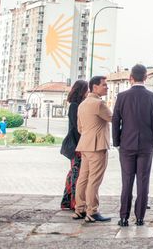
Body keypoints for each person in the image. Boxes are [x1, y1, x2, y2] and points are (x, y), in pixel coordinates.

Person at [113, 64, 153, 227]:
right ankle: (140, 217)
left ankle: (124, 217)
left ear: (130, 78)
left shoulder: (121, 96)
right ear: (146, 77)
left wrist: (116, 141)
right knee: (143, 181)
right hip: (146, 145)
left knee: (127, 181)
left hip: (126, 144)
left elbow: (115, 121)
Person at [73, 76, 113, 223]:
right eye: (104, 85)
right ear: (95, 87)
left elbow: (80, 127)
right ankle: (92, 211)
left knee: (83, 179)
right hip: (97, 146)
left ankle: (80, 209)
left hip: (85, 145)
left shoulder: (82, 104)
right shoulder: (99, 103)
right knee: (94, 180)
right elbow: (113, 118)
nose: (106, 87)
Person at [60, 80, 89, 210]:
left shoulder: (78, 105)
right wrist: (81, 146)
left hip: (78, 144)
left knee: (73, 173)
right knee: (77, 174)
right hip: (76, 145)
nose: (88, 92)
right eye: (86, 89)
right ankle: (74, 202)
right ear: (81, 90)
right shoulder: (74, 106)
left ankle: (68, 201)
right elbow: (76, 128)